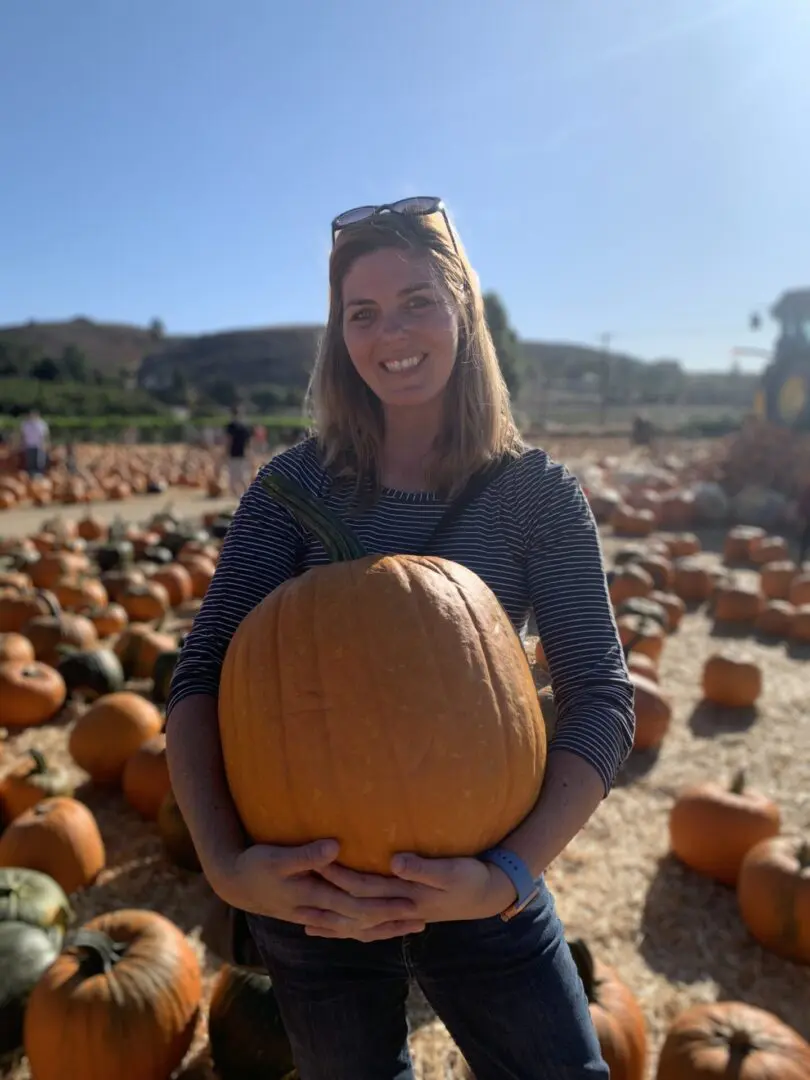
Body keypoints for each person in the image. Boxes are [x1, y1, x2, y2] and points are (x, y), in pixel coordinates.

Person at [166, 197, 635, 1079]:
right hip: (317, 897)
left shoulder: (535, 494)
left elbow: (601, 698)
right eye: (364, 312)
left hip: (482, 878)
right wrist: (228, 868)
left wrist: (506, 876)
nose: (393, 332)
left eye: (418, 300)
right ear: (339, 334)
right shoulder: (292, 489)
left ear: (464, 308)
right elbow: (200, 675)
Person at [223, 405, 253, 496]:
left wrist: (225, 452)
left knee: (233, 479)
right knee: (242, 477)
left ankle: (239, 497)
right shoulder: (245, 426)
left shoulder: (231, 426)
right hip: (242, 454)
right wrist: (249, 454)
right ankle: (247, 495)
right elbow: (248, 443)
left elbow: (229, 440)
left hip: (234, 453)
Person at [19, 408, 49, 476]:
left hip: (39, 445)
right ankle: (31, 474)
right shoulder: (25, 424)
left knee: (40, 461)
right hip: (29, 445)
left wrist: (45, 444)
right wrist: (21, 444)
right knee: (30, 460)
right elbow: (22, 435)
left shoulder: (42, 424)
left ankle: (40, 474)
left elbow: (45, 435)